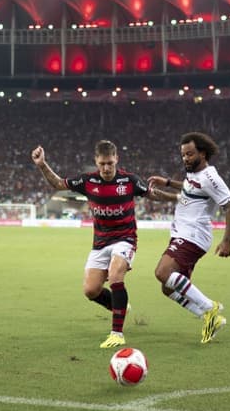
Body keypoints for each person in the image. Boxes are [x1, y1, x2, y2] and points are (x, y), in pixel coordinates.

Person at [31, 140, 163, 348]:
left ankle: (117, 333)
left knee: (116, 275)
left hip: (125, 238)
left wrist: (179, 196)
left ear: (116, 159)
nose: (106, 168)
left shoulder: (129, 181)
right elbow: (58, 184)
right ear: (96, 162)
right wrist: (42, 164)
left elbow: (154, 195)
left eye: (110, 163)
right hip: (100, 243)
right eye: (102, 164)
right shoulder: (88, 181)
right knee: (91, 290)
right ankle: (119, 305)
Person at [148, 132, 230, 344]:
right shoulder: (193, 173)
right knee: (168, 288)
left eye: (189, 154)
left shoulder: (211, 178)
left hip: (193, 235)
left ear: (202, 153)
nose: (185, 159)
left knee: (162, 272)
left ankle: (210, 307)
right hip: (182, 233)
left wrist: (227, 240)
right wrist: (169, 183)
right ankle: (209, 318)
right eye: (183, 155)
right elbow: (191, 187)